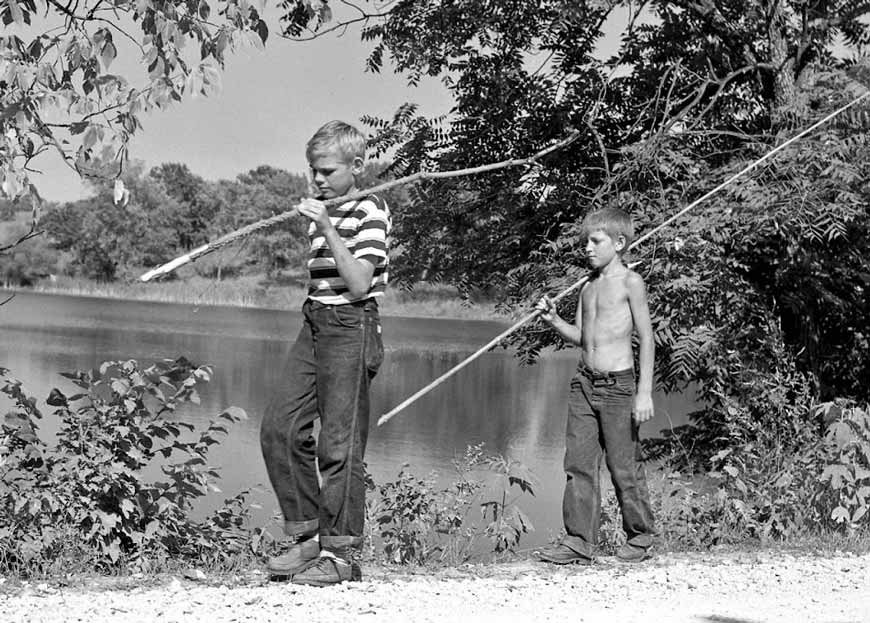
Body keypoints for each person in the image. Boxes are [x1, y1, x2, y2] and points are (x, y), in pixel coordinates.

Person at [259, 120, 391, 586]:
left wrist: (326, 226)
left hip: (351, 326)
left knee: (340, 446)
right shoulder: (328, 206)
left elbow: (357, 284)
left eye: (328, 171)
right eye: (313, 170)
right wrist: (323, 217)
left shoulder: (371, 208)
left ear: (358, 166)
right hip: (315, 321)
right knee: (280, 427)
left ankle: (340, 555)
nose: (318, 180)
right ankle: (309, 537)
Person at [534, 207, 656, 564]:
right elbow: (581, 338)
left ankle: (640, 536)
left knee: (623, 466)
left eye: (595, 241)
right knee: (579, 464)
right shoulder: (587, 287)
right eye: (586, 241)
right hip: (583, 384)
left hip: (619, 387)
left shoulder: (631, 283)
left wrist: (644, 392)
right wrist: (554, 320)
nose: (587, 247)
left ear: (619, 243)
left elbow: (647, 339)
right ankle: (578, 541)